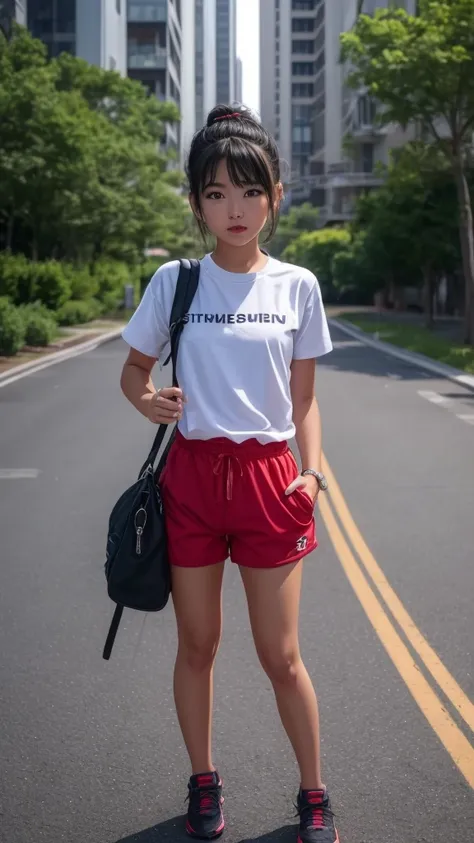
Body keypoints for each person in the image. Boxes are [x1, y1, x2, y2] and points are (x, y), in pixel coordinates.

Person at [120, 104, 338, 843]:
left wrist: (312, 476)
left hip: (271, 478)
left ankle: (314, 793)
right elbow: (133, 373)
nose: (234, 209)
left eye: (249, 191)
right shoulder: (176, 283)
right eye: (216, 193)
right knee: (198, 644)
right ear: (196, 203)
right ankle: (204, 780)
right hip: (192, 478)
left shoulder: (297, 287)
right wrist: (148, 399)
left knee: (281, 655)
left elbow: (304, 401)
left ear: (276, 194)